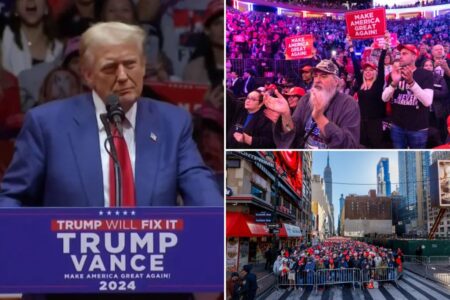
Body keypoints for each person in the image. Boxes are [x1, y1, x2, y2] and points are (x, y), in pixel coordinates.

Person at [0, 22, 222, 208]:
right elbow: (11, 198)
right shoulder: (46, 124)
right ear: (87, 75)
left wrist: (220, 225)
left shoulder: (172, 123)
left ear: (144, 66)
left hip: (153, 257)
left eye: (131, 64)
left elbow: (203, 194)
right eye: (110, 68)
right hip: (68, 257)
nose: (123, 76)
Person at [265, 60, 360, 149]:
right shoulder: (306, 99)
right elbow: (293, 132)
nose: (317, 80)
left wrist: (319, 118)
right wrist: (286, 115)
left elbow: (349, 145)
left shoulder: (348, 104)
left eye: (323, 76)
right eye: (315, 75)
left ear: (336, 82)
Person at [382, 44, 434, 149]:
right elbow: (384, 98)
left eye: (404, 54)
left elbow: (428, 102)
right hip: (397, 126)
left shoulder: (426, 74)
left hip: (418, 128)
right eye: (400, 54)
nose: (400, 56)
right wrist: (394, 83)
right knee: (400, 157)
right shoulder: (396, 73)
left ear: (414, 57)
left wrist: (411, 82)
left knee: (417, 159)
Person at [1, 0, 63, 76]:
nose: (30, 1)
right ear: (16, 10)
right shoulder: (4, 39)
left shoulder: (59, 50)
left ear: (46, 8)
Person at [348, 33, 388, 148]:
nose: (368, 72)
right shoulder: (361, 84)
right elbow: (356, 65)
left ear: (374, 72)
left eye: (370, 70)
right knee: (362, 145)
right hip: (361, 121)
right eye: (366, 70)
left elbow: (381, 65)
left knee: (375, 145)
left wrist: (385, 46)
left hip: (375, 122)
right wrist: (351, 46)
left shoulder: (378, 84)